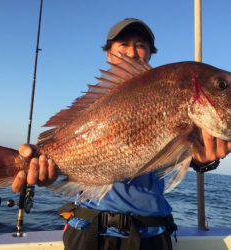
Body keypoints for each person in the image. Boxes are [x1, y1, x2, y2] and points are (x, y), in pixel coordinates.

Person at [12, 18, 231, 250]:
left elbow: (190, 153)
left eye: (140, 45)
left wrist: (205, 161)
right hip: (90, 228)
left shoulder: (167, 88)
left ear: (149, 53)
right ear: (109, 53)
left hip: (151, 231)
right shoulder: (99, 102)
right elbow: (68, 160)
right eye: (123, 44)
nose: (132, 52)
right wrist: (44, 170)